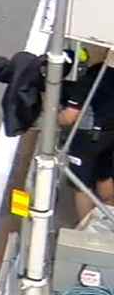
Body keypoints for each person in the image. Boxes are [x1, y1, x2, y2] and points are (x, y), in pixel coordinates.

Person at [60, 56, 114, 223]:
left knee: (81, 186)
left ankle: (86, 230)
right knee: (104, 175)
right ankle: (109, 217)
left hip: (87, 138)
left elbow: (69, 117)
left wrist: (56, 117)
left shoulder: (93, 76)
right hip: (111, 134)